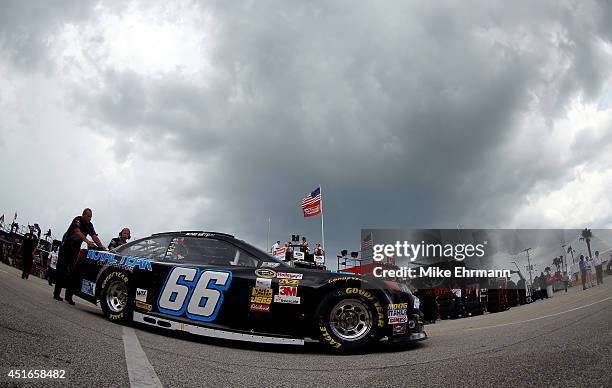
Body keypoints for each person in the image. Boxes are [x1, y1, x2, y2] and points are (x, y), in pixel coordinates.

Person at [54, 208, 106, 304]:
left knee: (72, 271)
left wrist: (101, 246)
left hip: (75, 248)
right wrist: (87, 242)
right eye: (88, 216)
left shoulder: (90, 225)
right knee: (62, 269)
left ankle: (68, 296)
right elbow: (77, 232)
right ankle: (56, 294)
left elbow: (94, 236)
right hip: (66, 246)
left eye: (91, 217)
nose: (90, 218)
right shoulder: (78, 220)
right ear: (84, 215)